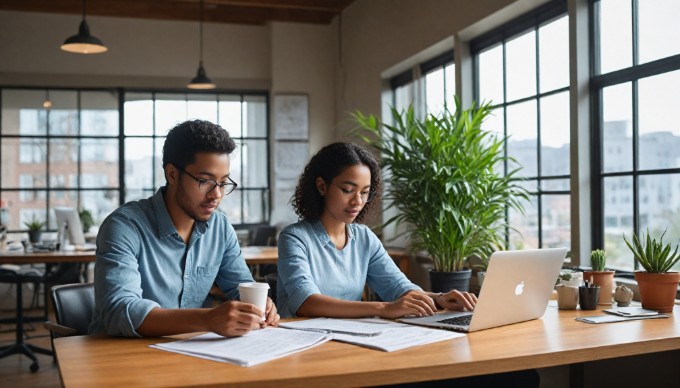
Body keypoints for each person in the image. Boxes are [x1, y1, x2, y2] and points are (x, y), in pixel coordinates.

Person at [89, 119, 279, 337]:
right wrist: (207, 319)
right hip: (118, 357)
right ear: (172, 175)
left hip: (187, 353)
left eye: (223, 182)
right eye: (204, 181)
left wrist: (261, 305)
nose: (216, 195)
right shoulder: (124, 226)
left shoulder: (220, 226)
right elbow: (120, 312)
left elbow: (240, 287)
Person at [276, 141, 477, 319]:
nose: (357, 201)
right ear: (321, 186)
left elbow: (398, 288)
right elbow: (305, 303)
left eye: (364, 192)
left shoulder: (364, 237)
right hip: (302, 343)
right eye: (347, 190)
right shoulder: (295, 238)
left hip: (349, 339)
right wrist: (383, 308)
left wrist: (440, 298)